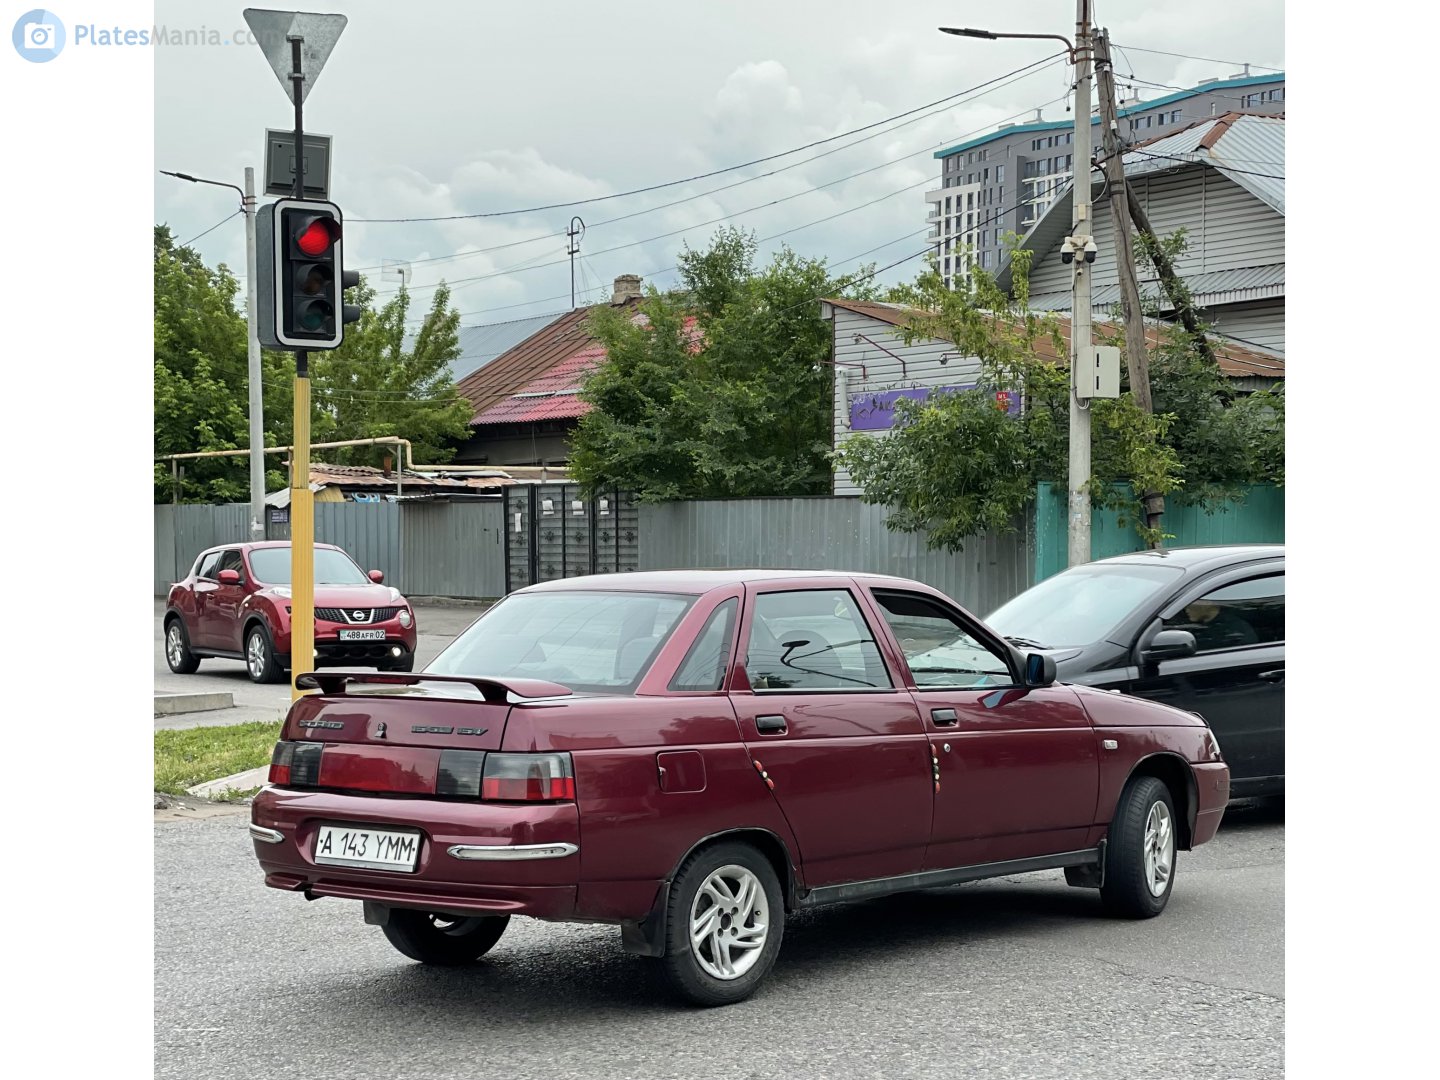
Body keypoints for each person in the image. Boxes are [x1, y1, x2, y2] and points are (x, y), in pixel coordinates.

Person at [1182, 599, 1258, 650]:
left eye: (1190, 604)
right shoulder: (1196, 626)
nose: (1186, 610)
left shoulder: (1234, 629)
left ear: (1208, 603)